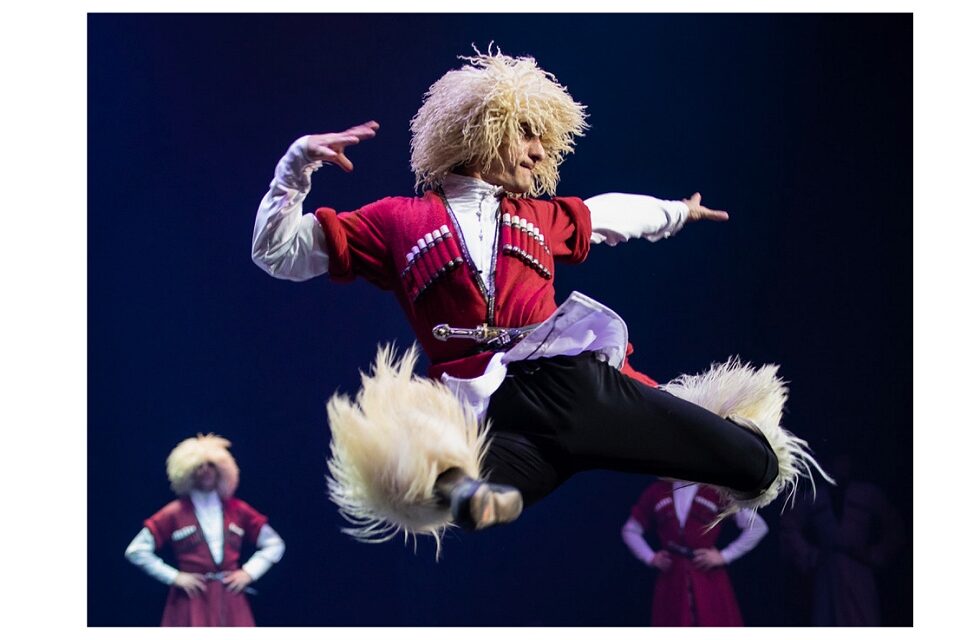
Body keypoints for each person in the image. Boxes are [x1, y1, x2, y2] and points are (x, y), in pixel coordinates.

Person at [252, 48, 828, 552]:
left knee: (760, 464)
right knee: (449, 485)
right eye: (526, 133)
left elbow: (610, 215)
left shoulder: (537, 215)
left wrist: (678, 211)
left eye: (542, 142)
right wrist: (294, 168)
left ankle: (493, 488)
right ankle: (478, 495)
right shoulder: (396, 221)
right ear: (482, 129)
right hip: (499, 417)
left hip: (579, 391)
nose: (538, 152)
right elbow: (278, 254)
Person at [124, 434, 286, 626]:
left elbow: (274, 543)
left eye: (211, 465)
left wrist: (249, 573)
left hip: (230, 599)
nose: (206, 471)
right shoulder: (174, 513)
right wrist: (174, 577)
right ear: (187, 472)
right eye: (199, 467)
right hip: (192, 600)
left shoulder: (238, 510)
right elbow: (136, 550)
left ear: (222, 470)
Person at [622, 479, 768, 626]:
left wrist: (724, 556)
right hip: (672, 580)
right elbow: (630, 530)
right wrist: (651, 557)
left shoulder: (715, 491)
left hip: (708, 578)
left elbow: (757, 527)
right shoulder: (657, 491)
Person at [780, 453, 903, 626]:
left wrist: (875, 555)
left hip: (859, 569)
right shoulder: (814, 497)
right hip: (827, 572)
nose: (839, 466)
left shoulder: (867, 494)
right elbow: (789, 525)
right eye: (834, 461)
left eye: (843, 461)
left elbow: (894, 526)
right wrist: (811, 556)